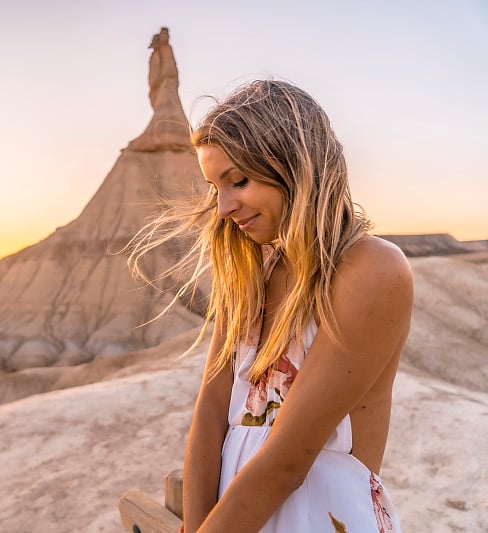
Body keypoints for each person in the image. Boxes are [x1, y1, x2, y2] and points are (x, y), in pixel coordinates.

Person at [128, 79, 413, 532]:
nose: (222, 207)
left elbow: (288, 461)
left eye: (238, 180)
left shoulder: (372, 269)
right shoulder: (250, 271)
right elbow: (210, 412)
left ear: (294, 165)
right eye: (214, 187)